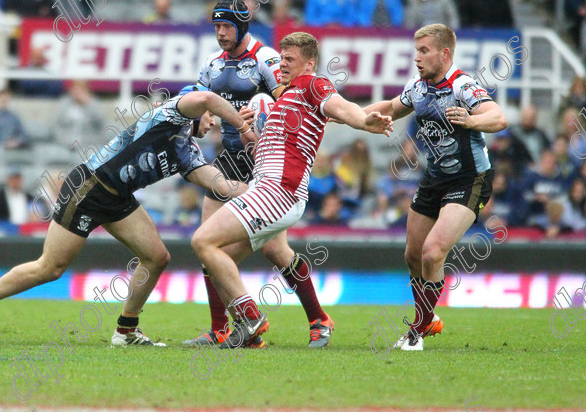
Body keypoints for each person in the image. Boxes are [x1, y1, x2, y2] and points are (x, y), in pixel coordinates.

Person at [0, 86, 258, 346]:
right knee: (50, 267)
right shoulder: (171, 113)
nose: (213, 121)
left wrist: (266, 189)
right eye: (210, 117)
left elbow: (220, 185)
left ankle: (126, 330)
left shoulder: (187, 151)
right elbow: (206, 99)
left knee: (157, 256)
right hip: (90, 187)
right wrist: (245, 129)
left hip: (118, 197)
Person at [191, 31, 393, 348]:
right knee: (229, 257)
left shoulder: (314, 84)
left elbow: (341, 108)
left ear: (309, 63)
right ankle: (311, 321)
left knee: (203, 241)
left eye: (289, 59)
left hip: (279, 192)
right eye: (281, 58)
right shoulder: (284, 99)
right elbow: (264, 153)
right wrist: (251, 130)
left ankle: (249, 318)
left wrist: (365, 121)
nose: (281, 64)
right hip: (267, 188)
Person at [363, 23, 507, 351]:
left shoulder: (463, 86)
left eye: (424, 51)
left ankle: (417, 330)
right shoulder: (418, 87)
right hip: (434, 178)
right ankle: (428, 318)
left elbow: (498, 117)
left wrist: (471, 120)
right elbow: (389, 107)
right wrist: (347, 115)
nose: (417, 58)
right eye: (416, 51)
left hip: (470, 179)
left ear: (444, 54)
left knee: (433, 251)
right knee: (413, 255)